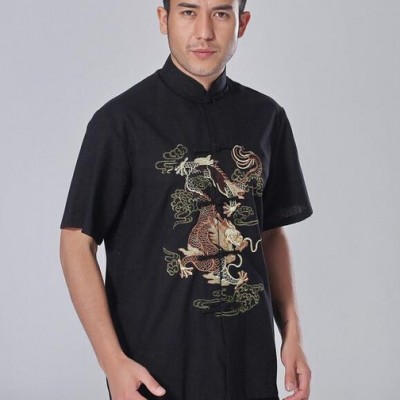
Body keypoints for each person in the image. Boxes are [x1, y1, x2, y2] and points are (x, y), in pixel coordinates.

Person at [59, 1, 313, 399]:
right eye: (188, 12)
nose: (204, 32)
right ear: (164, 20)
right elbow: (76, 242)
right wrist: (112, 362)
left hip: (251, 361)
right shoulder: (120, 122)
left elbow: (270, 233)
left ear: (242, 24)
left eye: (221, 13)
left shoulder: (267, 117)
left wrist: (292, 332)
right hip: (155, 370)